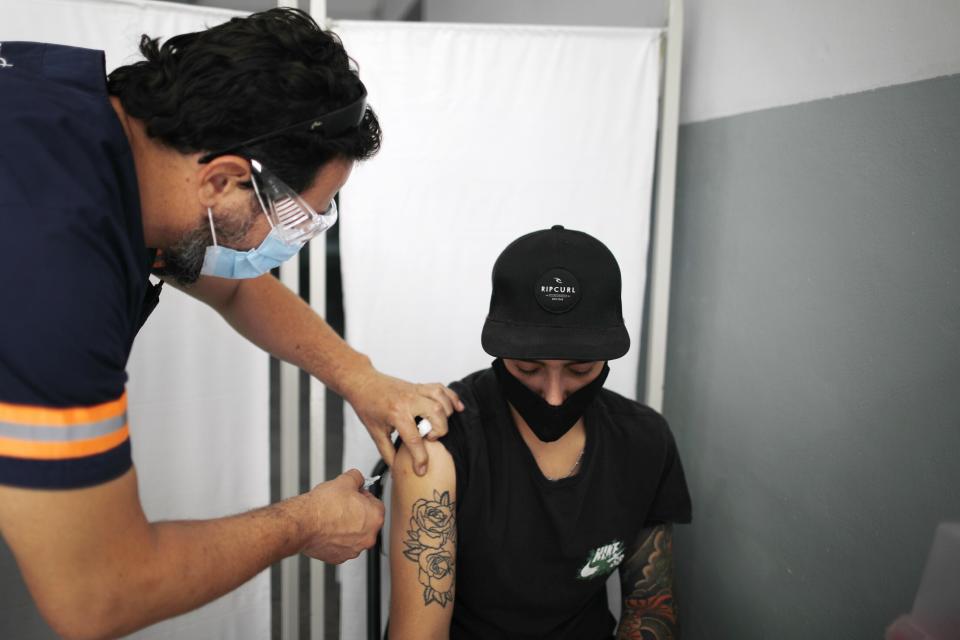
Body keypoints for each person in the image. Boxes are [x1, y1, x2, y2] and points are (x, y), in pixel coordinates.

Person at [0, 9, 462, 639]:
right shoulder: (54, 271)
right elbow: (99, 594)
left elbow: (230, 288)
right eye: (299, 221)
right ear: (222, 180)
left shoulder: (75, 107)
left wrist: (362, 379)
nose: (291, 245)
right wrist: (303, 524)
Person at [389, 226, 693, 639]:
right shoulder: (443, 448)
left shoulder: (643, 443)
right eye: (528, 369)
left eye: (580, 370)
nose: (553, 397)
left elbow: (650, 609)